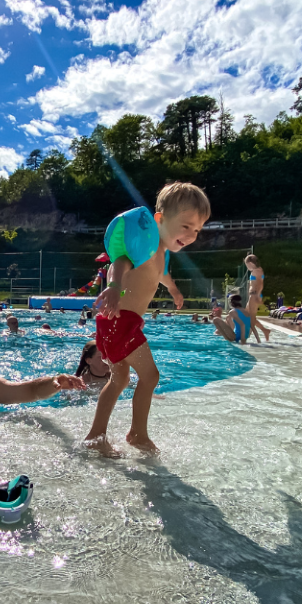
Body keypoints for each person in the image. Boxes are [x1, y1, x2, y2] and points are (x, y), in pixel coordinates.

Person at [87, 181, 210, 455]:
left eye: (197, 230)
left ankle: (96, 436)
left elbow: (163, 276)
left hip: (117, 322)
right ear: (160, 219)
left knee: (118, 381)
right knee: (150, 376)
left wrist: (175, 290)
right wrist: (115, 288)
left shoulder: (161, 254)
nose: (191, 235)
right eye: (186, 226)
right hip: (121, 319)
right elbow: (119, 262)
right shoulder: (146, 246)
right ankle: (137, 434)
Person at [244, 254, 271, 342]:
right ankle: (264, 331)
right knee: (247, 316)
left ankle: (251, 337)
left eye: (247, 265)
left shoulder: (256, 271)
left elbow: (260, 284)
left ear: (251, 263)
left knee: (251, 318)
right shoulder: (258, 270)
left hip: (254, 295)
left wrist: (258, 296)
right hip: (254, 295)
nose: (247, 267)